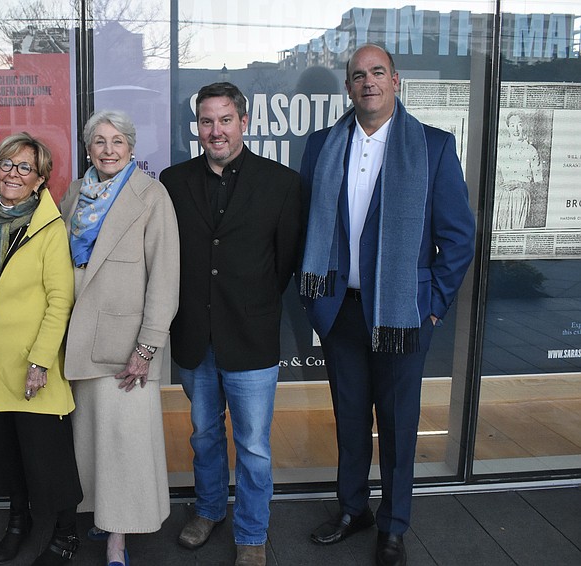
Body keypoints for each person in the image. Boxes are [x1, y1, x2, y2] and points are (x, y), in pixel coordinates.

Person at [299, 44, 475, 566]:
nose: (368, 82)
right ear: (348, 88)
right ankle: (353, 510)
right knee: (350, 421)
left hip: (403, 315)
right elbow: (306, 227)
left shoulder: (433, 147)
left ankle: (394, 526)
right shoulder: (322, 146)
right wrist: (315, 302)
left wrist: (434, 306)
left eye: (378, 72)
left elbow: (459, 238)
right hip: (342, 311)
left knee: (398, 426)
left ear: (396, 81)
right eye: (358, 75)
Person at [159, 82, 302, 566]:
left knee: (255, 447)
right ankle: (209, 509)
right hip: (196, 337)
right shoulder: (173, 181)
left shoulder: (281, 183)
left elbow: (284, 263)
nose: (215, 130)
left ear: (244, 122)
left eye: (225, 120)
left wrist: (249, 303)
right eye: (206, 121)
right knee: (203, 435)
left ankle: (252, 534)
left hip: (251, 335)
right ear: (195, 126)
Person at [60, 110, 180, 566]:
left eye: (118, 141)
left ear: (132, 147)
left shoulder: (151, 195)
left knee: (125, 446)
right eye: (99, 141)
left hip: (125, 345)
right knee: (90, 442)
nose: (108, 149)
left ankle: (118, 540)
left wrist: (147, 347)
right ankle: (102, 516)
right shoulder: (75, 192)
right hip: (79, 337)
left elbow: (165, 278)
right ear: (88, 148)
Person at [0, 133, 82, 565]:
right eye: (7, 165)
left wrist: (41, 360)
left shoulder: (50, 228)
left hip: (34, 363)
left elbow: (60, 298)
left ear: (41, 179)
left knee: (48, 457)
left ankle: (66, 532)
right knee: (9, 454)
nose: (13, 174)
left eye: (24, 167)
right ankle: (18, 522)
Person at [493, 111, 542, 230]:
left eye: (519, 124)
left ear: (524, 126)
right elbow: (496, 180)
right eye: (512, 125)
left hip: (521, 199)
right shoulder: (502, 151)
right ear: (508, 127)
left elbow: (539, 184)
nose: (516, 129)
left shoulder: (531, 151)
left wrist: (519, 184)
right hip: (502, 200)